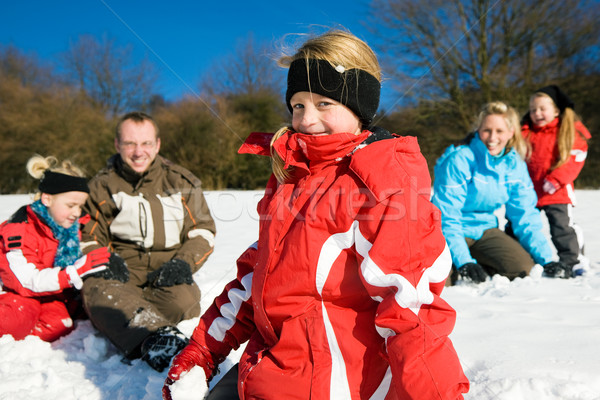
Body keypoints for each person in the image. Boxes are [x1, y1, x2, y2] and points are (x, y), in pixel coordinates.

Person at [162, 29, 469, 400]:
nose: (307, 120)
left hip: (335, 382)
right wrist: (202, 352)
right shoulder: (295, 176)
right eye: (298, 106)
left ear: (360, 108)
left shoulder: (382, 183)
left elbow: (412, 312)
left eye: (324, 103)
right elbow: (255, 281)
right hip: (273, 367)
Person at [80, 111, 216, 372]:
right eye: (130, 143)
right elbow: (88, 235)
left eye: (146, 143)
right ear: (118, 145)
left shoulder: (180, 181)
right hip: (121, 270)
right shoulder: (101, 186)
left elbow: (203, 230)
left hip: (166, 268)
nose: (138, 152)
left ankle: (130, 317)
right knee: (98, 292)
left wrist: (183, 264)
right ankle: (157, 340)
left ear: (158, 145)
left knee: (183, 301)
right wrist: (105, 258)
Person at [431, 101, 566, 285]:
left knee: (522, 268)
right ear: (478, 130)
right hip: (447, 232)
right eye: (487, 130)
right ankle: (461, 262)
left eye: (500, 131)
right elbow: (446, 215)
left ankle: (483, 262)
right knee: (439, 280)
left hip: (485, 230)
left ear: (511, 133)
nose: (492, 137)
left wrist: (546, 259)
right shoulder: (460, 159)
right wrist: (464, 261)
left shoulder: (514, 165)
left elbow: (524, 215)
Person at [0, 155, 112, 342]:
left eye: (80, 206)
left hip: (50, 294)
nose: (77, 212)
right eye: (70, 205)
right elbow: (26, 280)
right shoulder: (20, 230)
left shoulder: (74, 228)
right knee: (18, 318)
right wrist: (71, 274)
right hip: (18, 293)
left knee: (60, 324)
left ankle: (27, 338)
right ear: (47, 199)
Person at [522, 85, 592, 277]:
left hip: (557, 191)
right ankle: (522, 259)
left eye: (543, 108)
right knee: (521, 225)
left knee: (562, 228)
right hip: (530, 192)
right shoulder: (524, 132)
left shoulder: (567, 130)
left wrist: (557, 179)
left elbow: (576, 156)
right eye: (533, 109)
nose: (537, 113)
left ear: (556, 110)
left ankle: (573, 261)